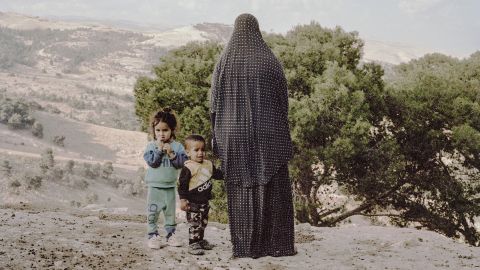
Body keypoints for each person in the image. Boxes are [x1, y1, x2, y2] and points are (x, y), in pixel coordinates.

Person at [210, 13, 296, 258]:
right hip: (270, 134)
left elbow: (214, 105)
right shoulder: (270, 61)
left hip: (234, 133)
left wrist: (217, 136)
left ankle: (246, 247)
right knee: (273, 189)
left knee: (241, 190)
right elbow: (283, 102)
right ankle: (278, 246)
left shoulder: (225, 62)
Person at [143, 107, 188, 249]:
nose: (161, 134)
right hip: (154, 187)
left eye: (165, 130)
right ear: (154, 131)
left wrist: (172, 154)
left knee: (170, 214)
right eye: (158, 130)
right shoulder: (151, 146)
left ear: (172, 130)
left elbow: (181, 164)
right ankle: (153, 235)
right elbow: (152, 163)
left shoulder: (178, 146)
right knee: (153, 213)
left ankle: (170, 235)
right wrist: (159, 151)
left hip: (169, 187)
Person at [178, 134, 224, 255]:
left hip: (204, 202)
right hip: (193, 203)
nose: (200, 153)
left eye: (203, 149)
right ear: (188, 152)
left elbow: (218, 175)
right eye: (196, 150)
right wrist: (183, 200)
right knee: (195, 224)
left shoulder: (208, 164)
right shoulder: (188, 168)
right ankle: (193, 244)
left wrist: (227, 172)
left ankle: (200, 240)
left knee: (203, 223)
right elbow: (182, 186)